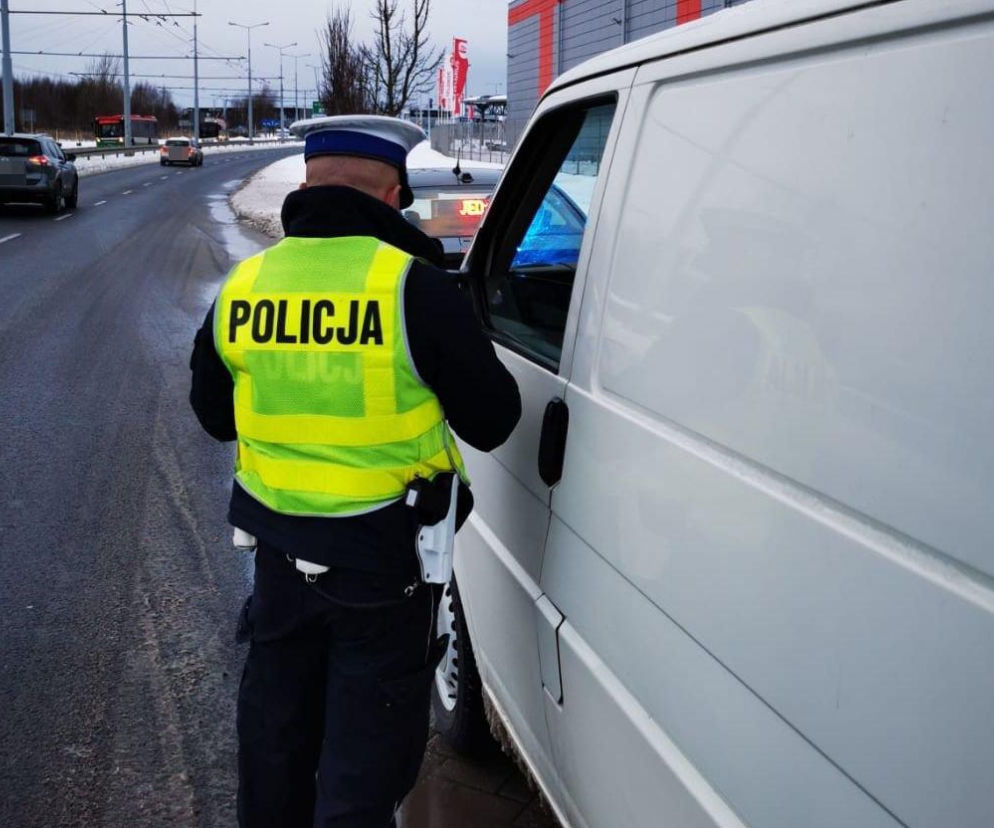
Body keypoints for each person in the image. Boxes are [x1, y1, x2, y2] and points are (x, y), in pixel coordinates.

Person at [188, 115, 521, 828]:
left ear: (306, 186)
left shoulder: (245, 286)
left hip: (278, 567)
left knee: (275, 745)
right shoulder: (416, 290)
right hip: (383, 570)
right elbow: (495, 419)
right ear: (395, 194)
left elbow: (216, 417)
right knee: (363, 767)